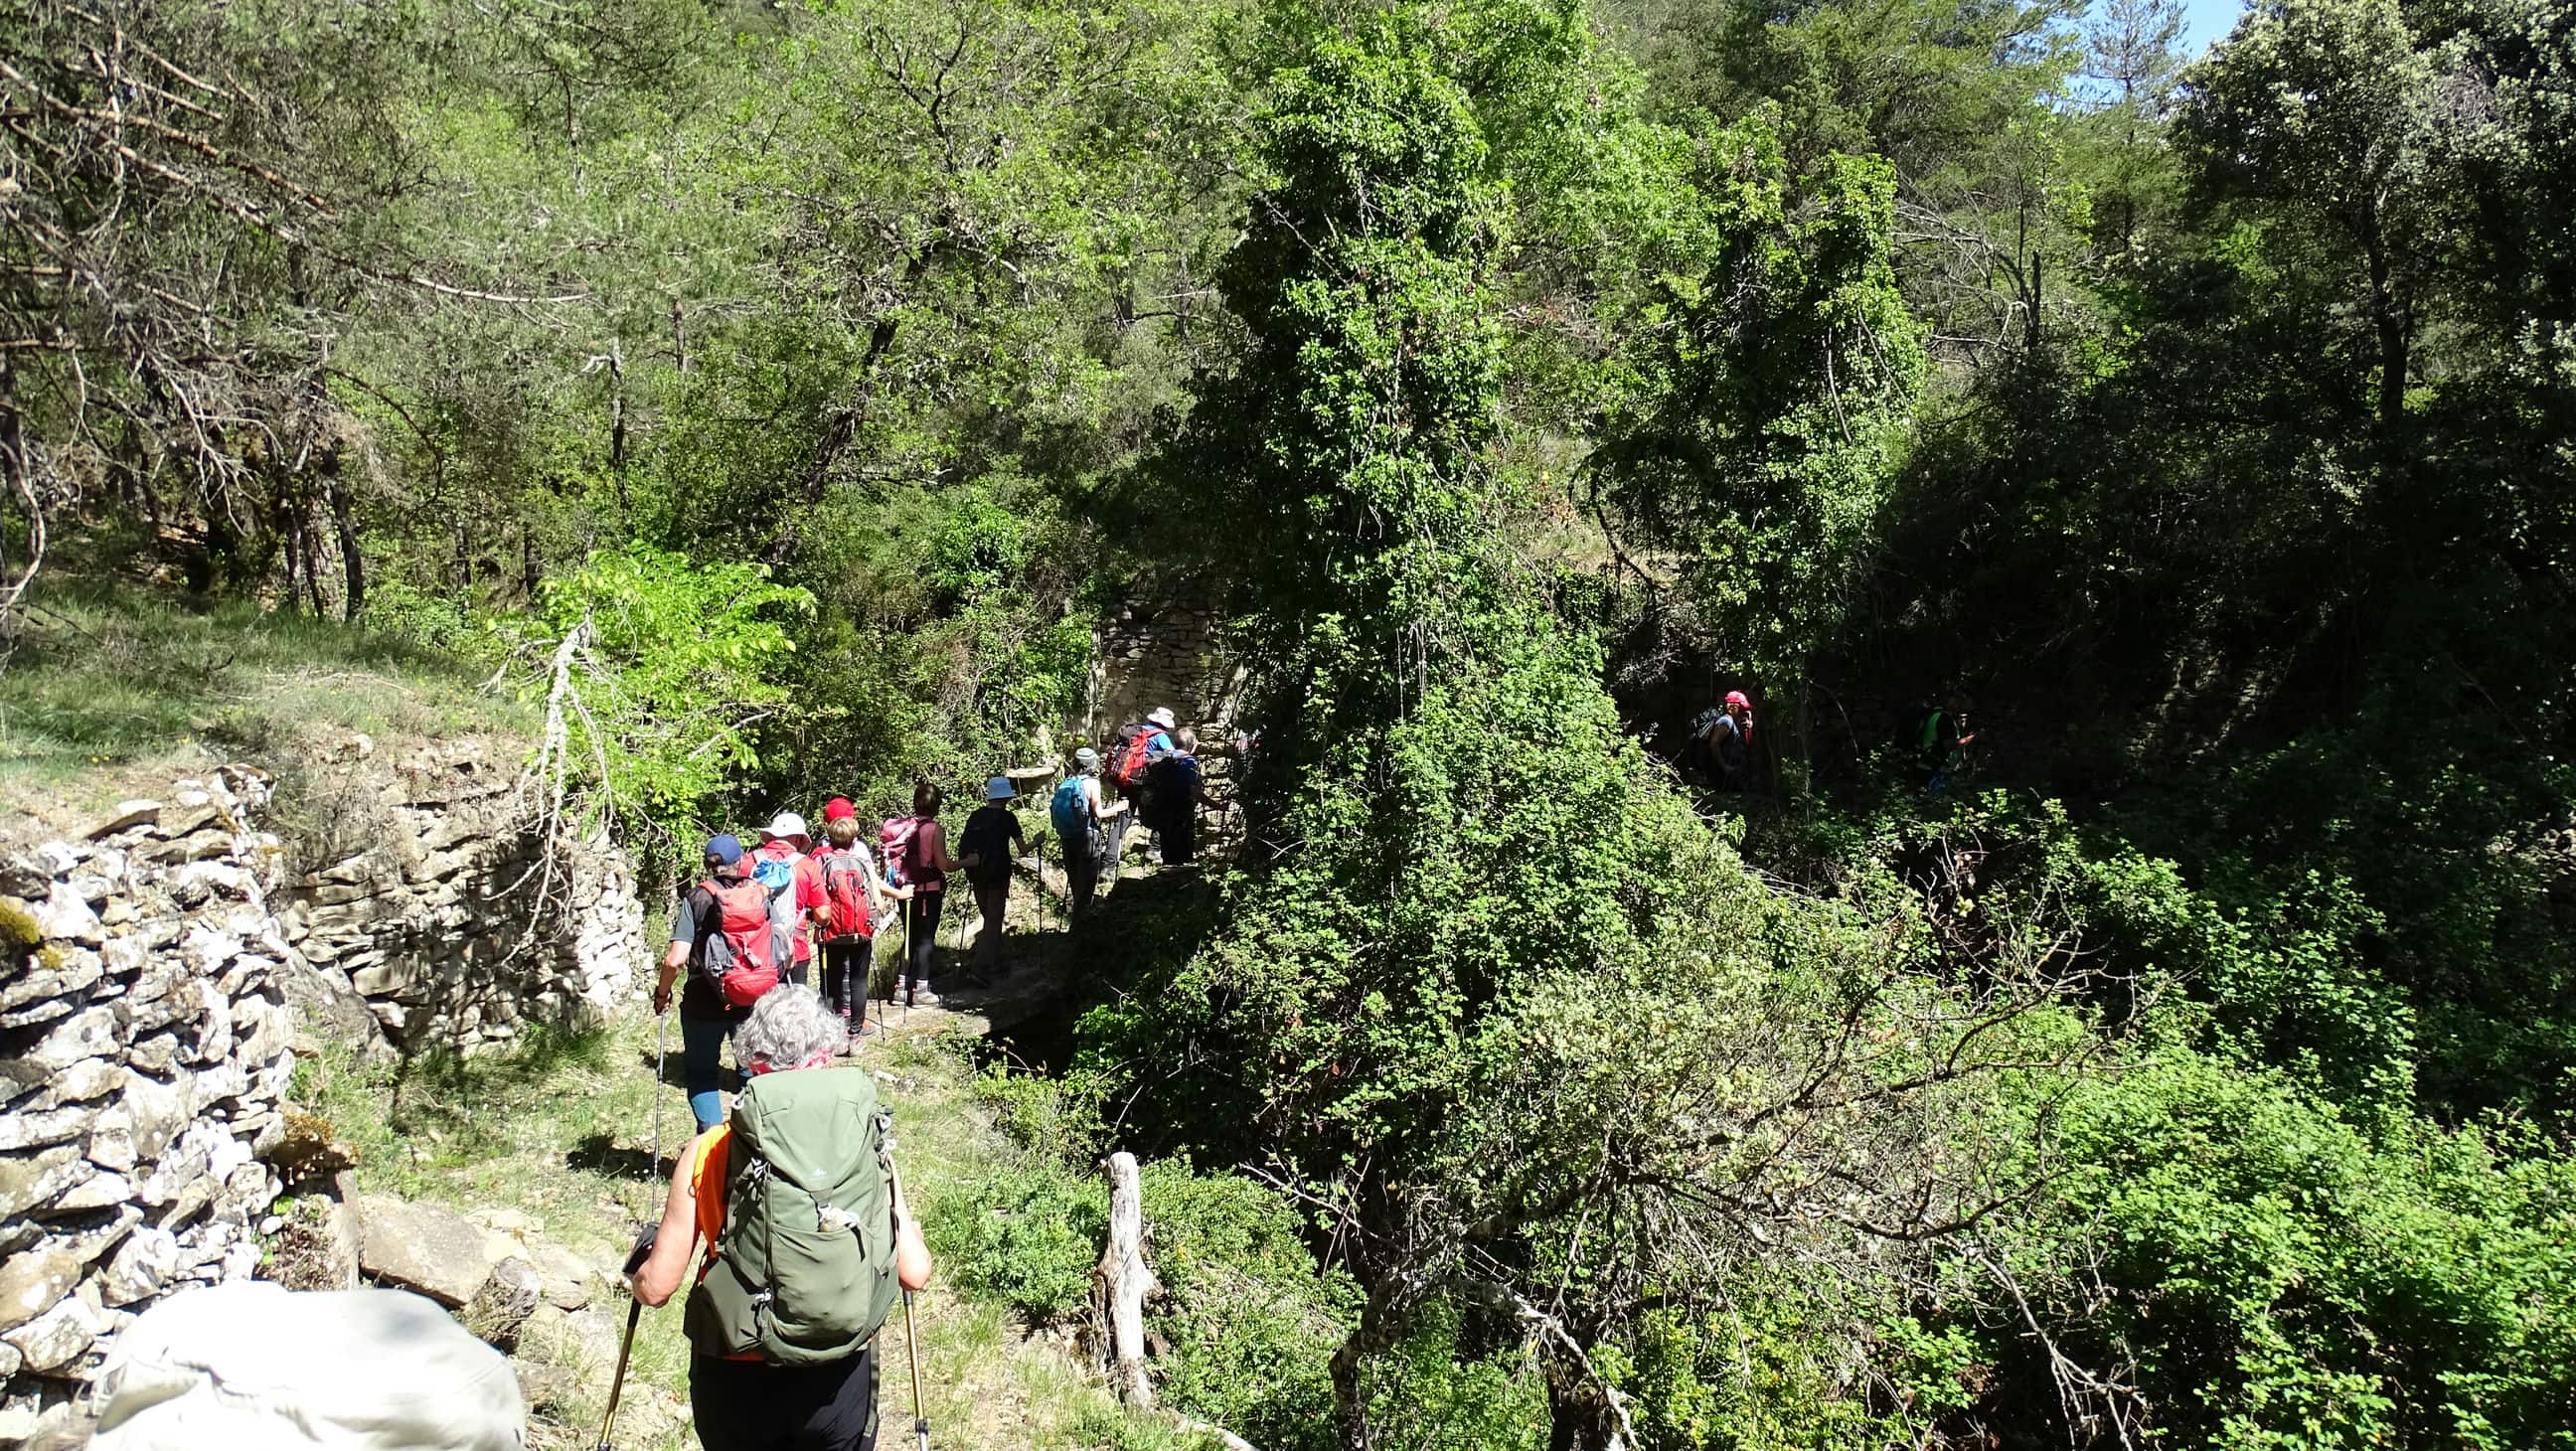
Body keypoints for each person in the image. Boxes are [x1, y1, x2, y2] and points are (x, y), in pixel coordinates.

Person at [630, 989, 933, 1451]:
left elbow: (657, 1289)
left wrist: (638, 1270)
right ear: (826, 1055)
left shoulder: (710, 1149)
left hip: (736, 1371)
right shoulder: (867, 1147)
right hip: (837, 1374)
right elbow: (914, 1272)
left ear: (756, 1059)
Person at [655, 835, 784, 1134]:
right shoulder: (759, 894)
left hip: (703, 1000)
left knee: (701, 1074)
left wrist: (662, 994)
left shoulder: (697, 898)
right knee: (751, 1070)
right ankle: (751, 1141)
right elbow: (784, 949)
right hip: (752, 999)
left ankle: (712, 1143)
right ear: (740, 861)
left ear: (707, 864)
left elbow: (675, 960)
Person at [810, 805, 895, 1038]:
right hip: (860, 932)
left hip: (831, 932)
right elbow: (877, 902)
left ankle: (827, 1032)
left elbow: (815, 896)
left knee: (830, 982)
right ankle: (855, 1032)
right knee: (858, 981)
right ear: (854, 839)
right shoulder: (861, 861)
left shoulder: (822, 861)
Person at [889, 780, 974, 1009]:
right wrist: (968, 861)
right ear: (937, 806)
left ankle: (901, 988)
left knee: (910, 937)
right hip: (929, 892)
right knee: (925, 940)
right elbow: (943, 864)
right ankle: (921, 990)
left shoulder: (904, 826)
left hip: (904, 890)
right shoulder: (935, 830)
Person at [959, 776, 1028, 976]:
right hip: (998, 873)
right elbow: (1022, 849)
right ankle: (981, 967)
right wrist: (1038, 841)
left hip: (977, 873)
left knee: (989, 918)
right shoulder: (1008, 818)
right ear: (1005, 797)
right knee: (993, 919)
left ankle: (997, 962)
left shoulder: (975, 816)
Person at [751, 813, 826, 989]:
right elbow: (823, 915)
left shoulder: (748, 861)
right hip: (795, 948)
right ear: (799, 839)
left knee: (757, 1010)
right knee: (793, 1009)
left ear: (770, 835)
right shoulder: (807, 866)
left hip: (753, 950)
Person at [1050, 746, 1124, 915]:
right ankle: (1081, 926)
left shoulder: (1066, 783)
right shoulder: (1092, 783)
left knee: (1076, 881)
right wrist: (1119, 807)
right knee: (1087, 884)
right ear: (1092, 765)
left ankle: (1076, 922)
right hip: (1087, 837)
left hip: (1068, 838)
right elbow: (1099, 813)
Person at [1106, 707, 1177, 867]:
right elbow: (1173, 755)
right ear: (1164, 724)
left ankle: (1108, 865)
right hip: (1145, 785)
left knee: (1122, 823)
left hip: (1125, 781)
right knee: (1162, 815)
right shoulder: (1160, 736)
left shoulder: (1134, 732)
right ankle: (1153, 850)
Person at [1146, 727, 1204, 866]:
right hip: (1182, 812)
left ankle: (1165, 879)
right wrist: (1217, 805)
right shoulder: (1189, 761)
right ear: (1191, 744)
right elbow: (1192, 790)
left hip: (1163, 811)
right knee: (1183, 853)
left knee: (1168, 852)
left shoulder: (1164, 758)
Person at [1920, 694, 1976, 799]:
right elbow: (1949, 745)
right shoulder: (1945, 719)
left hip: (1926, 762)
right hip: (1936, 768)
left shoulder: (1935, 715)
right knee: (1935, 803)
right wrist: (1972, 738)